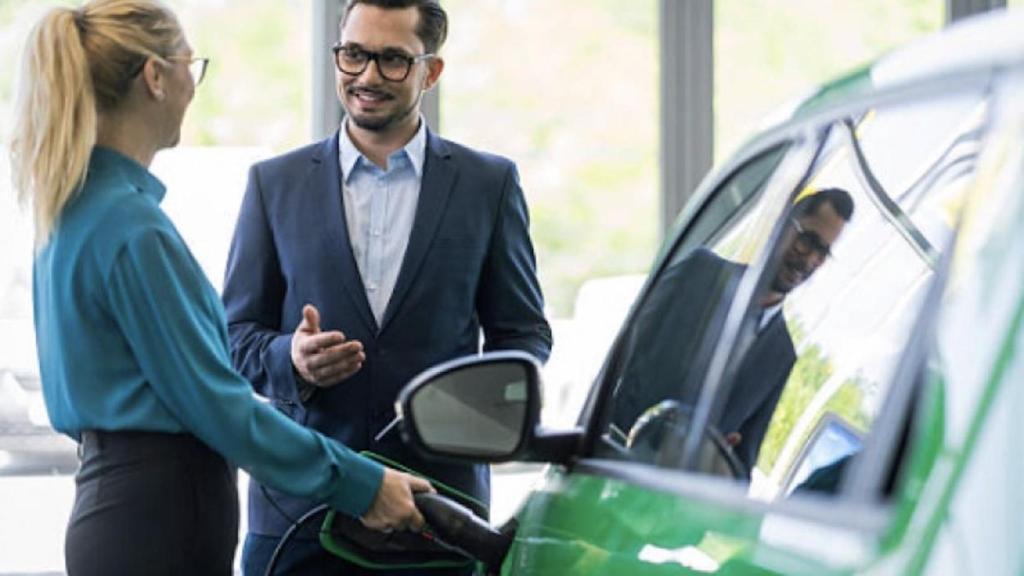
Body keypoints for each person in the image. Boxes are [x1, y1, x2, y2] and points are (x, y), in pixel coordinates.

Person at [8, 2, 432, 574]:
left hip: (120, 508)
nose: (193, 86)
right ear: (155, 77)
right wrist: (363, 484)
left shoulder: (74, 213)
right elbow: (220, 408)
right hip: (159, 521)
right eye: (190, 66)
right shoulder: (132, 229)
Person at [221, 0, 552, 573]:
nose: (367, 76)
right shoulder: (274, 183)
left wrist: (475, 408)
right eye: (354, 54)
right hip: (300, 514)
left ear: (431, 71)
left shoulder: (488, 184)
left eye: (393, 59)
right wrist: (290, 359)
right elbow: (232, 336)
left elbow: (523, 335)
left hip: (439, 512)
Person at [611, 188, 854, 474]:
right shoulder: (697, 272)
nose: (809, 260)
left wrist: (722, 467)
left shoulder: (781, 356)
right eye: (807, 242)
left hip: (676, 497)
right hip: (615, 461)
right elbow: (620, 355)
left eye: (822, 253)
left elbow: (743, 465)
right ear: (781, 226)